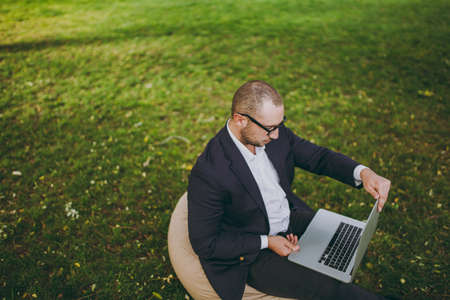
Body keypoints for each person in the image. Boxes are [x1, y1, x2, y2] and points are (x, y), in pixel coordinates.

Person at [187, 80, 391, 300]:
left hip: (288, 219)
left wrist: (363, 173)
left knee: (347, 239)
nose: (276, 136)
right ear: (240, 120)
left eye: (280, 124)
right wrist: (267, 241)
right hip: (251, 252)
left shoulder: (272, 131)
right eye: (270, 129)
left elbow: (318, 158)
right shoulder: (209, 172)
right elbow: (206, 243)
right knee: (332, 289)